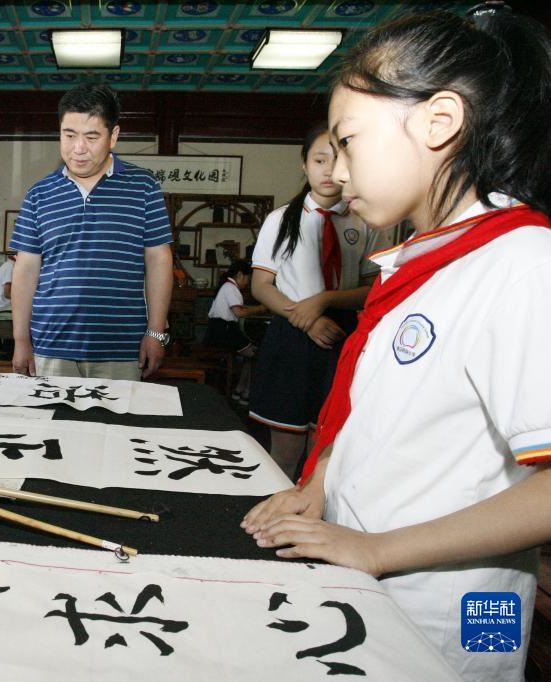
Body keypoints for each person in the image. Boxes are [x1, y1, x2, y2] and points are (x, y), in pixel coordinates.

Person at [242, 7, 551, 680]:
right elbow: (382, 413)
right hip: (370, 584)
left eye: (348, 141)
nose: (336, 170)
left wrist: (378, 549)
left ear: (438, 122)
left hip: (455, 608)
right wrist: (320, 485)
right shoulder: (420, 262)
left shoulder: (523, 262)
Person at [246, 121, 384, 480]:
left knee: (325, 449)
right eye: (319, 160)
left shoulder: (365, 221)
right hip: (292, 335)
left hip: (342, 334)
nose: (328, 170)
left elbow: (374, 288)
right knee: (285, 449)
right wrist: (305, 318)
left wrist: (324, 300)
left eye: (337, 160)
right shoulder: (280, 220)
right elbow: (261, 286)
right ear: (304, 164)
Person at [9, 83, 173, 381]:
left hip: (122, 348)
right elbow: (26, 268)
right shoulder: (39, 194)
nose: (78, 148)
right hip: (51, 345)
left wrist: (156, 332)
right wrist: (21, 339)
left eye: (91, 137)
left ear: (114, 136)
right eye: (69, 135)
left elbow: (159, 260)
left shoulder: (144, 187)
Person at [203, 259, 266, 403]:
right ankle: (246, 393)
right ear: (240, 275)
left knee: (251, 355)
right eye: (248, 278)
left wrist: (256, 309)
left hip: (219, 331)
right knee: (256, 354)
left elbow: (238, 309)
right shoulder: (231, 288)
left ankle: (240, 391)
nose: (248, 282)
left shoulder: (227, 286)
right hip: (224, 332)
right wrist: (260, 309)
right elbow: (239, 312)